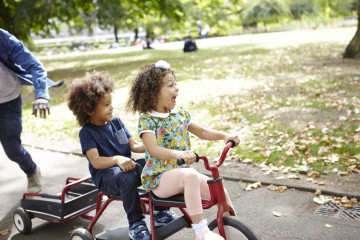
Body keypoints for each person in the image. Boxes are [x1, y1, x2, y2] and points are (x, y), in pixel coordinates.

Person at [127, 60, 240, 240]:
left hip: (180, 174)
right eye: (170, 85)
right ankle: (200, 231)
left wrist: (224, 136)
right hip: (159, 179)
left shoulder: (179, 114)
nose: (177, 88)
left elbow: (202, 131)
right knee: (191, 175)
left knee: (219, 191)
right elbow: (153, 149)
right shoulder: (148, 120)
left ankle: (232, 230)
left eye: (175, 83)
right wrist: (179, 154)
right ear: (153, 94)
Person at [67, 71, 177, 240]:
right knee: (126, 178)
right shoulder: (87, 133)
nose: (111, 107)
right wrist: (117, 159)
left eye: (111, 103)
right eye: (106, 105)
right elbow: (96, 162)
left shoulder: (116, 122)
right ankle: (136, 224)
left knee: (155, 163)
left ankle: (161, 211)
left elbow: (134, 145)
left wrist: (155, 147)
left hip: (128, 167)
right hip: (106, 176)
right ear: (89, 110)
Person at [0, 28, 64, 193]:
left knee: (12, 150)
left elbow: (35, 66)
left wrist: (41, 95)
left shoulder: (5, 39)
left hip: (8, 102)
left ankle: (31, 170)